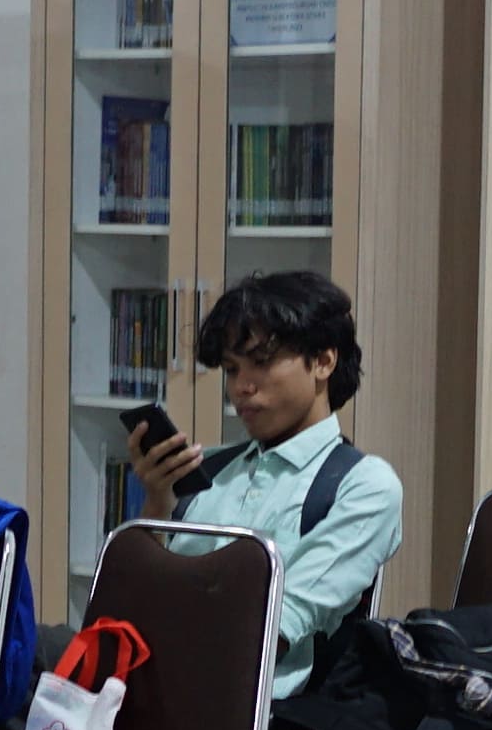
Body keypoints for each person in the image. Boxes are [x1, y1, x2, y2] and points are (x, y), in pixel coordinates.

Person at [122, 267, 402, 685]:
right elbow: (129, 602)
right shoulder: (207, 469)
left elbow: (276, 629)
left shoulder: (363, 486)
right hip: (150, 681)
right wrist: (156, 506)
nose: (241, 387)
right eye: (232, 369)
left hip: (258, 707)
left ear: (323, 361)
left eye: (261, 363)